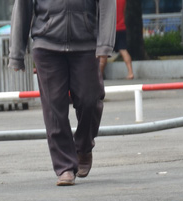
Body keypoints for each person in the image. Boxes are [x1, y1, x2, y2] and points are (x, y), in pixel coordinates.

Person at [9, 0, 116, 186]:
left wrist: (104, 45)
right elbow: (22, 8)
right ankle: (65, 166)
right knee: (54, 108)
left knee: (90, 99)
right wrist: (16, 54)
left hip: (86, 45)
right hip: (46, 45)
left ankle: (83, 147)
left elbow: (107, 5)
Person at [100, 0, 135, 80]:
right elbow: (124, 10)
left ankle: (100, 75)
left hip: (108, 27)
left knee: (104, 52)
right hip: (121, 27)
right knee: (123, 49)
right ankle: (130, 72)